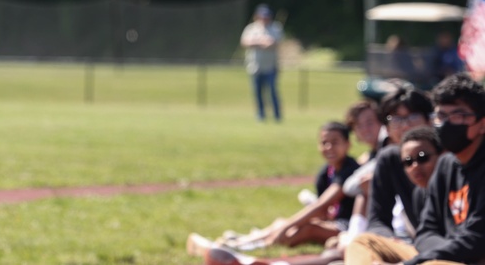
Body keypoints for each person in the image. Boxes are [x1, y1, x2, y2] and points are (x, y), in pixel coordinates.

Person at [344, 72, 485, 265]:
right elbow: (426, 231)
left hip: (470, 259)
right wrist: (430, 254)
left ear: (482, 123)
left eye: (458, 115)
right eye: (441, 115)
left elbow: (476, 242)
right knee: (364, 242)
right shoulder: (447, 164)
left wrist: (419, 260)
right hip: (439, 255)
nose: (446, 123)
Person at [188, 121, 360, 260]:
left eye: (335, 142)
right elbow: (323, 211)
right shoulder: (325, 172)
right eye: (324, 143)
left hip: (349, 228)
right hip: (332, 222)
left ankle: (250, 247)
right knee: (282, 222)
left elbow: (322, 204)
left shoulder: (350, 169)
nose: (329, 147)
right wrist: (284, 225)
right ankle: (241, 241)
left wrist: (288, 226)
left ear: (348, 144)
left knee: (307, 227)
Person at [241, 4, 283, 121]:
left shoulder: (275, 28)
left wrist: (266, 43)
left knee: (272, 91)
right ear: (257, 16)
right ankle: (261, 114)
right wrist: (260, 42)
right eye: (262, 16)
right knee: (258, 93)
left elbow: (275, 43)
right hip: (255, 66)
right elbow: (245, 42)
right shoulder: (251, 28)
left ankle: (277, 115)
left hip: (271, 66)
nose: (264, 19)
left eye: (267, 16)